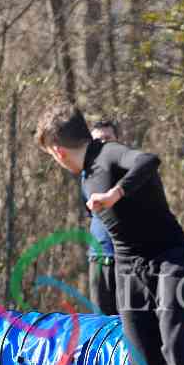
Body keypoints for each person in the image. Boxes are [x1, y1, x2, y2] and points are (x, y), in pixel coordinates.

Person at [35, 103, 184, 365]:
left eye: (51, 156)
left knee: (174, 341)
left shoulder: (109, 153)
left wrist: (115, 194)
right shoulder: (85, 176)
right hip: (129, 266)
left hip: (168, 256)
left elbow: (148, 160)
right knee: (140, 354)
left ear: (58, 151)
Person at [82, 119, 119, 315]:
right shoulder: (86, 175)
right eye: (97, 140)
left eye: (107, 139)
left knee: (128, 321)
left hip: (126, 261)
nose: (103, 144)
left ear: (117, 140)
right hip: (98, 258)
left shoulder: (129, 172)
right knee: (100, 320)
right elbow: (89, 210)